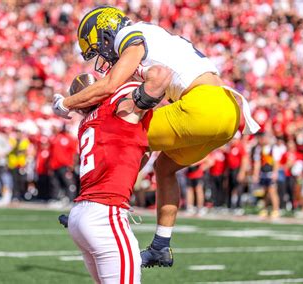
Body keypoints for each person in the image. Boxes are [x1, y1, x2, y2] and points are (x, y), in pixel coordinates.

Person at [52, 5, 260, 267]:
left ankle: (97, 205)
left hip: (204, 106)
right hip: (227, 111)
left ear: (107, 32)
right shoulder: (153, 39)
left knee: (122, 131)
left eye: (98, 47)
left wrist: (65, 103)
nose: (102, 56)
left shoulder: (132, 35)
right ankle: (161, 246)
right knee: (163, 167)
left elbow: (109, 85)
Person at [63, 71, 170, 283]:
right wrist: (134, 67)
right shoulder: (115, 108)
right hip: (106, 213)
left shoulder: (86, 123)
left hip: (82, 213)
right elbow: (160, 76)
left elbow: (132, 157)